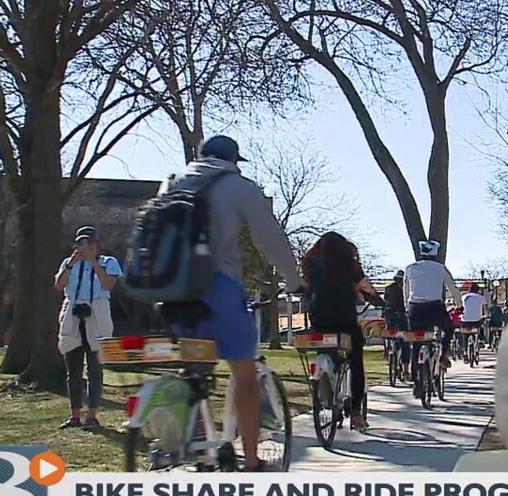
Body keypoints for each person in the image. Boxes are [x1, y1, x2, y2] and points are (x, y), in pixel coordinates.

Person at [159, 135, 303, 471]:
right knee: (244, 371)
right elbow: (270, 240)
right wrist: (294, 280)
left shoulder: (171, 183)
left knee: (196, 364)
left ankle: (194, 443)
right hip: (217, 287)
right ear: (234, 160)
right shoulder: (239, 186)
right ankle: (251, 460)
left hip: (171, 290)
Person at [304, 231, 383, 431]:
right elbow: (367, 289)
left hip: (319, 320)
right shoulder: (349, 264)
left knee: (324, 346)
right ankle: (356, 412)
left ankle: (326, 384)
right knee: (356, 361)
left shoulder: (310, 264)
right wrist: (377, 301)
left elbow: (304, 287)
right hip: (345, 321)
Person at [55, 226, 123, 429]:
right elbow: (59, 285)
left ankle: (92, 416)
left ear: (96, 244)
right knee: (73, 369)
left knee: (95, 368)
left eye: (89, 243)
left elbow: (109, 284)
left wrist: (93, 262)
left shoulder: (108, 262)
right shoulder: (69, 264)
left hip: (97, 313)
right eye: (81, 243)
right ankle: (74, 415)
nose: (85, 247)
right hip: (73, 312)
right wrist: (71, 264)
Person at [404, 240, 459, 395]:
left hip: (415, 307)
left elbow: (406, 290)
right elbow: (453, 288)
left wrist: (407, 308)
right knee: (448, 329)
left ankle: (417, 380)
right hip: (434, 306)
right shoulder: (440, 268)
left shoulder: (410, 268)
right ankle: (443, 356)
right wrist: (458, 304)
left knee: (416, 343)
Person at [383, 269, 410, 380]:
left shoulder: (388, 288)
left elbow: (385, 300)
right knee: (405, 341)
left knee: (389, 334)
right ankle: (406, 371)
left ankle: (388, 349)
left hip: (389, 315)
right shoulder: (406, 289)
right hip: (401, 315)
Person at [460, 282, 487, 350]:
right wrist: (486, 315)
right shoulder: (481, 297)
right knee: (481, 327)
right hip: (476, 319)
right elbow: (485, 308)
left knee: (465, 334)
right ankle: (481, 340)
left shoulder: (464, 297)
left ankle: (464, 349)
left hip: (465, 319)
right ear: (478, 290)